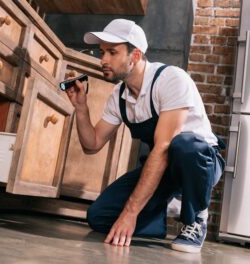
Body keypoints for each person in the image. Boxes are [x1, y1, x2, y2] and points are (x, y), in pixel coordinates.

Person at [65, 19, 225, 253]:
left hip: (200, 163)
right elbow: (92, 144)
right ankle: (165, 208)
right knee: (99, 216)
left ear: (136, 55)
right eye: (102, 52)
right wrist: (81, 108)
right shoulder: (119, 96)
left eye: (112, 52)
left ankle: (196, 218)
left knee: (185, 145)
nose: (103, 60)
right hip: (165, 168)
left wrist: (131, 213)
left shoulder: (171, 80)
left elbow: (164, 147)